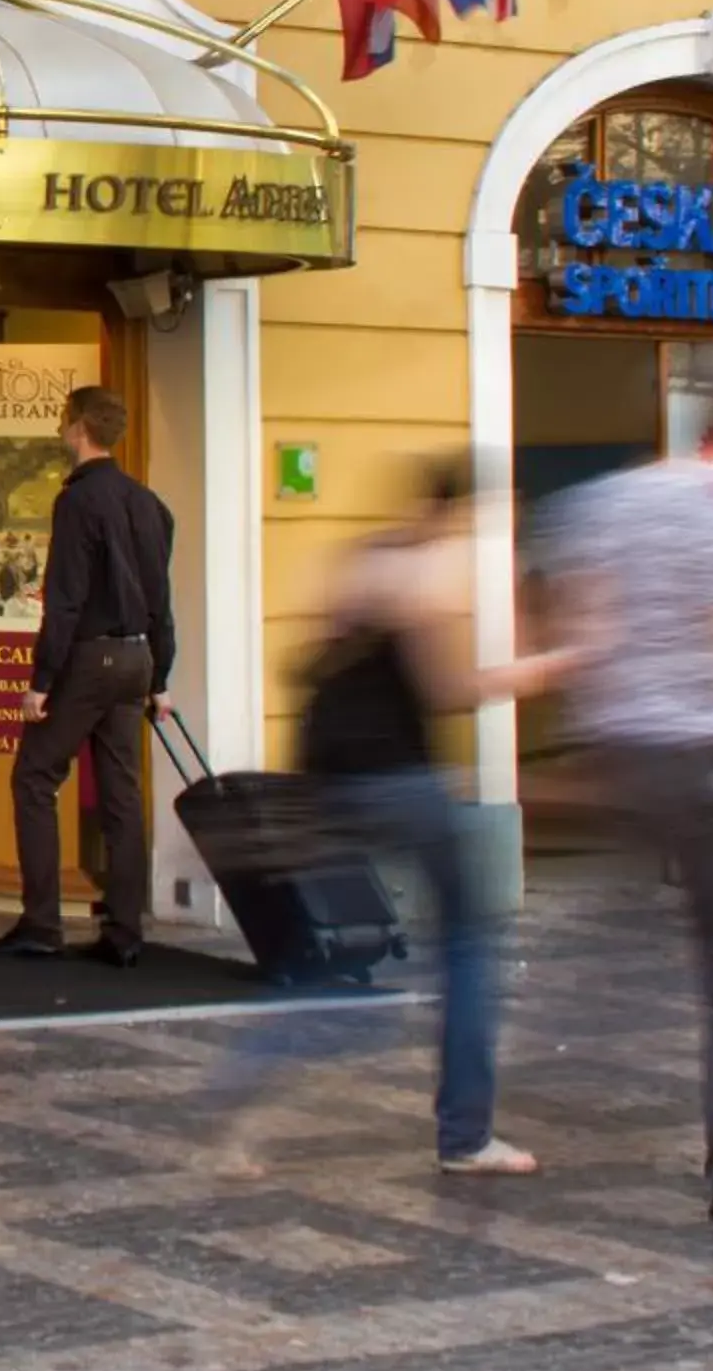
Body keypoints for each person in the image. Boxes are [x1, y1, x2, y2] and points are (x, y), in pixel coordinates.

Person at [212, 456, 557, 1177]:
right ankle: (465, 1136)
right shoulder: (434, 568)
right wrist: (536, 673)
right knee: (469, 947)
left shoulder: (365, 559)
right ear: (466, 509)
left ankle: (243, 1083)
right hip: (405, 783)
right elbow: (446, 687)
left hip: (337, 784)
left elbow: (309, 661)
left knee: (341, 956)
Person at [537, 447, 713, 1224]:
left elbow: (581, 620)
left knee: (635, 923)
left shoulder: (603, 502)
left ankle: (560, 1030)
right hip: (709, 752)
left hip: (632, 748)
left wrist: (592, 748)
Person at [0, 385, 174, 968]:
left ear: (78, 427)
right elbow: (162, 596)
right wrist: (161, 676)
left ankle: (41, 923)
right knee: (122, 794)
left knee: (34, 778)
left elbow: (64, 600)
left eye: (64, 421)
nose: (61, 430)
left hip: (88, 659)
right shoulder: (148, 503)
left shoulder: (77, 501)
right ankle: (125, 931)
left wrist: (41, 681)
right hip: (136, 658)